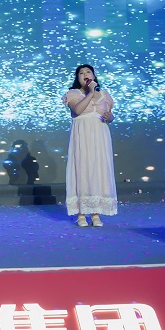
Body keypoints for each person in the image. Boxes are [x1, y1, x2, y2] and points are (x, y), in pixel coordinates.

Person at [62, 64, 117, 227]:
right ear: (77, 77)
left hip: (100, 136)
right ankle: (81, 213)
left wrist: (110, 117)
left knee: (98, 170)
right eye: (81, 73)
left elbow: (109, 116)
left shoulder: (104, 95)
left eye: (88, 72)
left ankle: (96, 213)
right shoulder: (73, 94)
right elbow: (78, 110)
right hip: (82, 136)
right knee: (83, 170)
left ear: (94, 75)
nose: (85, 74)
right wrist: (91, 92)